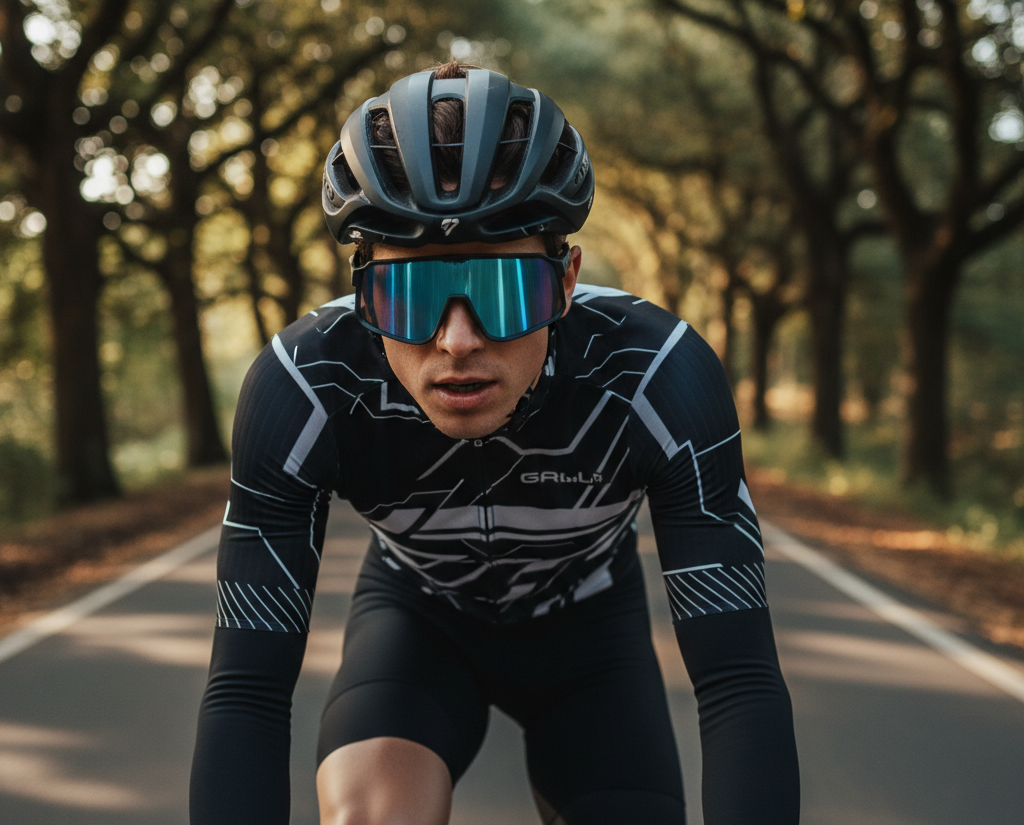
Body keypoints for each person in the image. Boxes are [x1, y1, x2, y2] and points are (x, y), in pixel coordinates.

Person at [190, 61, 800, 825]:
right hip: (417, 626)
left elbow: (738, 680)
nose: (456, 342)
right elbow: (246, 690)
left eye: (502, 293)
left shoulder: (657, 376)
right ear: (361, 286)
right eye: (409, 295)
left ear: (567, 278)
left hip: (591, 643)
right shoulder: (304, 387)